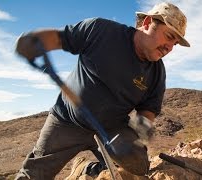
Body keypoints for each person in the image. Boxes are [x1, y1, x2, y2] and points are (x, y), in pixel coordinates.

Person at [15, 2, 190, 179]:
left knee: (139, 169)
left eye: (174, 44)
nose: (169, 48)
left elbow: (149, 108)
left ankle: (88, 168)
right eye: (169, 36)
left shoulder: (157, 73)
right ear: (147, 23)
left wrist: (141, 127)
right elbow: (61, 38)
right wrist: (34, 40)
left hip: (112, 130)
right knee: (33, 174)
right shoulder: (101, 31)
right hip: (67, 121)